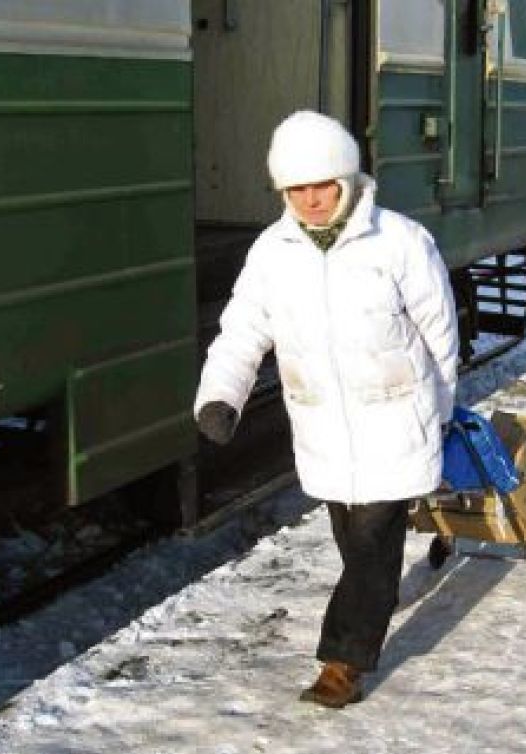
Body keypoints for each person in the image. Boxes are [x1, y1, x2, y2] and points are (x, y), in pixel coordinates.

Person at [193, 110, 459, 707]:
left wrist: (441, 411)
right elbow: (241, 331)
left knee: (371, 540)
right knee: (355, 542)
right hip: (324, 430)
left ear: (346, 180)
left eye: (322, 186)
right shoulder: (273, 253)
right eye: (297, 189)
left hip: (395, 420)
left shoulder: (399, 241)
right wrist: (220, 395)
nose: (311, 200)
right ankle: (374, 597)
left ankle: (343, 662)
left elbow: (440, 333)